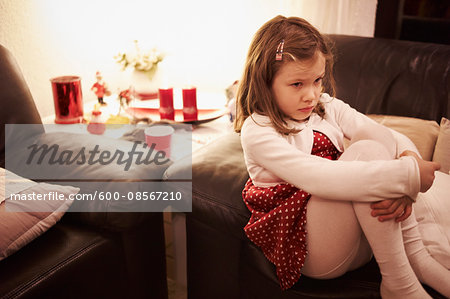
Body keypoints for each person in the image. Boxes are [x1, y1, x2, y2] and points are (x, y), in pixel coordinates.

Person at [234, 15, 450, 299]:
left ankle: (418, 259)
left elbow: (382, 135)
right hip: (311, 249)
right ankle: (400, 282)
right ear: (265, 81)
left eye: (317, 80)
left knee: (372, 147)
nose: (311, 95)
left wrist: (407, 161)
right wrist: (404, 177)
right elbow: (317, 178)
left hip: (360, 240)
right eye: (297, 84)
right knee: (366, 154)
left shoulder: (325, 106)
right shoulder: (258, 129)